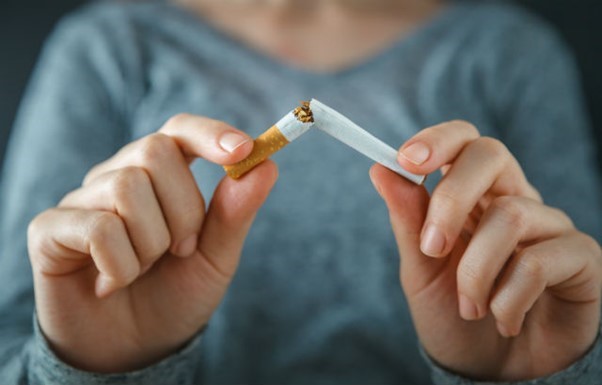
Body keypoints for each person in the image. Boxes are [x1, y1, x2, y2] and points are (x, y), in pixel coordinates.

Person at [0, 0, 600, 383]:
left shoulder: (507, 51)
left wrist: (541, 374)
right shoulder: (110, 46)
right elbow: (13, 343)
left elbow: (574, 297)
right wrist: (95, 368)